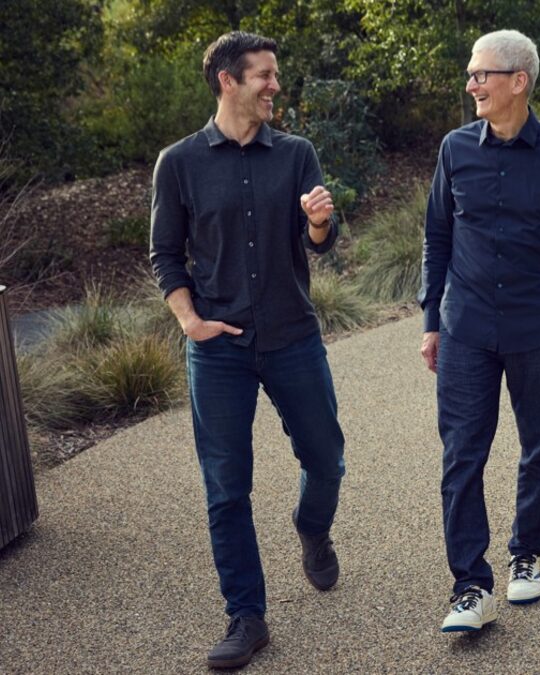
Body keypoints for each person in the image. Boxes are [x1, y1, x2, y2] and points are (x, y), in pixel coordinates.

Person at [150, 31, 346, 669]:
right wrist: (190, 321)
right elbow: (165, 254)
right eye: (264, 74)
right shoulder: (178, 163)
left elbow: (319, 241)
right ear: (227, 81)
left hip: (293, 337)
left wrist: (319, 220)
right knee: (226, 488)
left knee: (327, 460)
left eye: (274, 74)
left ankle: (312, 529)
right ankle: (247, 616)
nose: (274, 85)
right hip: (219, 350)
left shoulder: (296, 154)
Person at [419, 29, 540, 633]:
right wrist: (431, 322)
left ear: (518, 81)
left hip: (536, 327)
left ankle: (526, 554)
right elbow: (437, 237)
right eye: (471, 74)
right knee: (461, 456)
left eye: (482, 74)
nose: (471, 84)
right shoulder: (455, 149)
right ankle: (469, 587)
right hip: (466, 328)